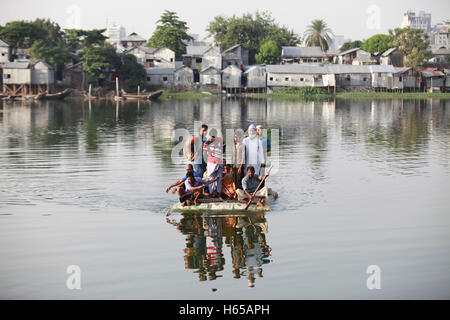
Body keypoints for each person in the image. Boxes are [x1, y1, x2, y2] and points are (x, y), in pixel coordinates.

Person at [203, 128, 224, 197]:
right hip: (213, 162)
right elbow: (204, 153)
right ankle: (215, 193)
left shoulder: (219, 140)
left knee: (216, 178)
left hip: (216, 162)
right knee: (214, 178)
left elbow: (224, 148)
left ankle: (217, 193)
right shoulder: (208, 142)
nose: (213, 137)